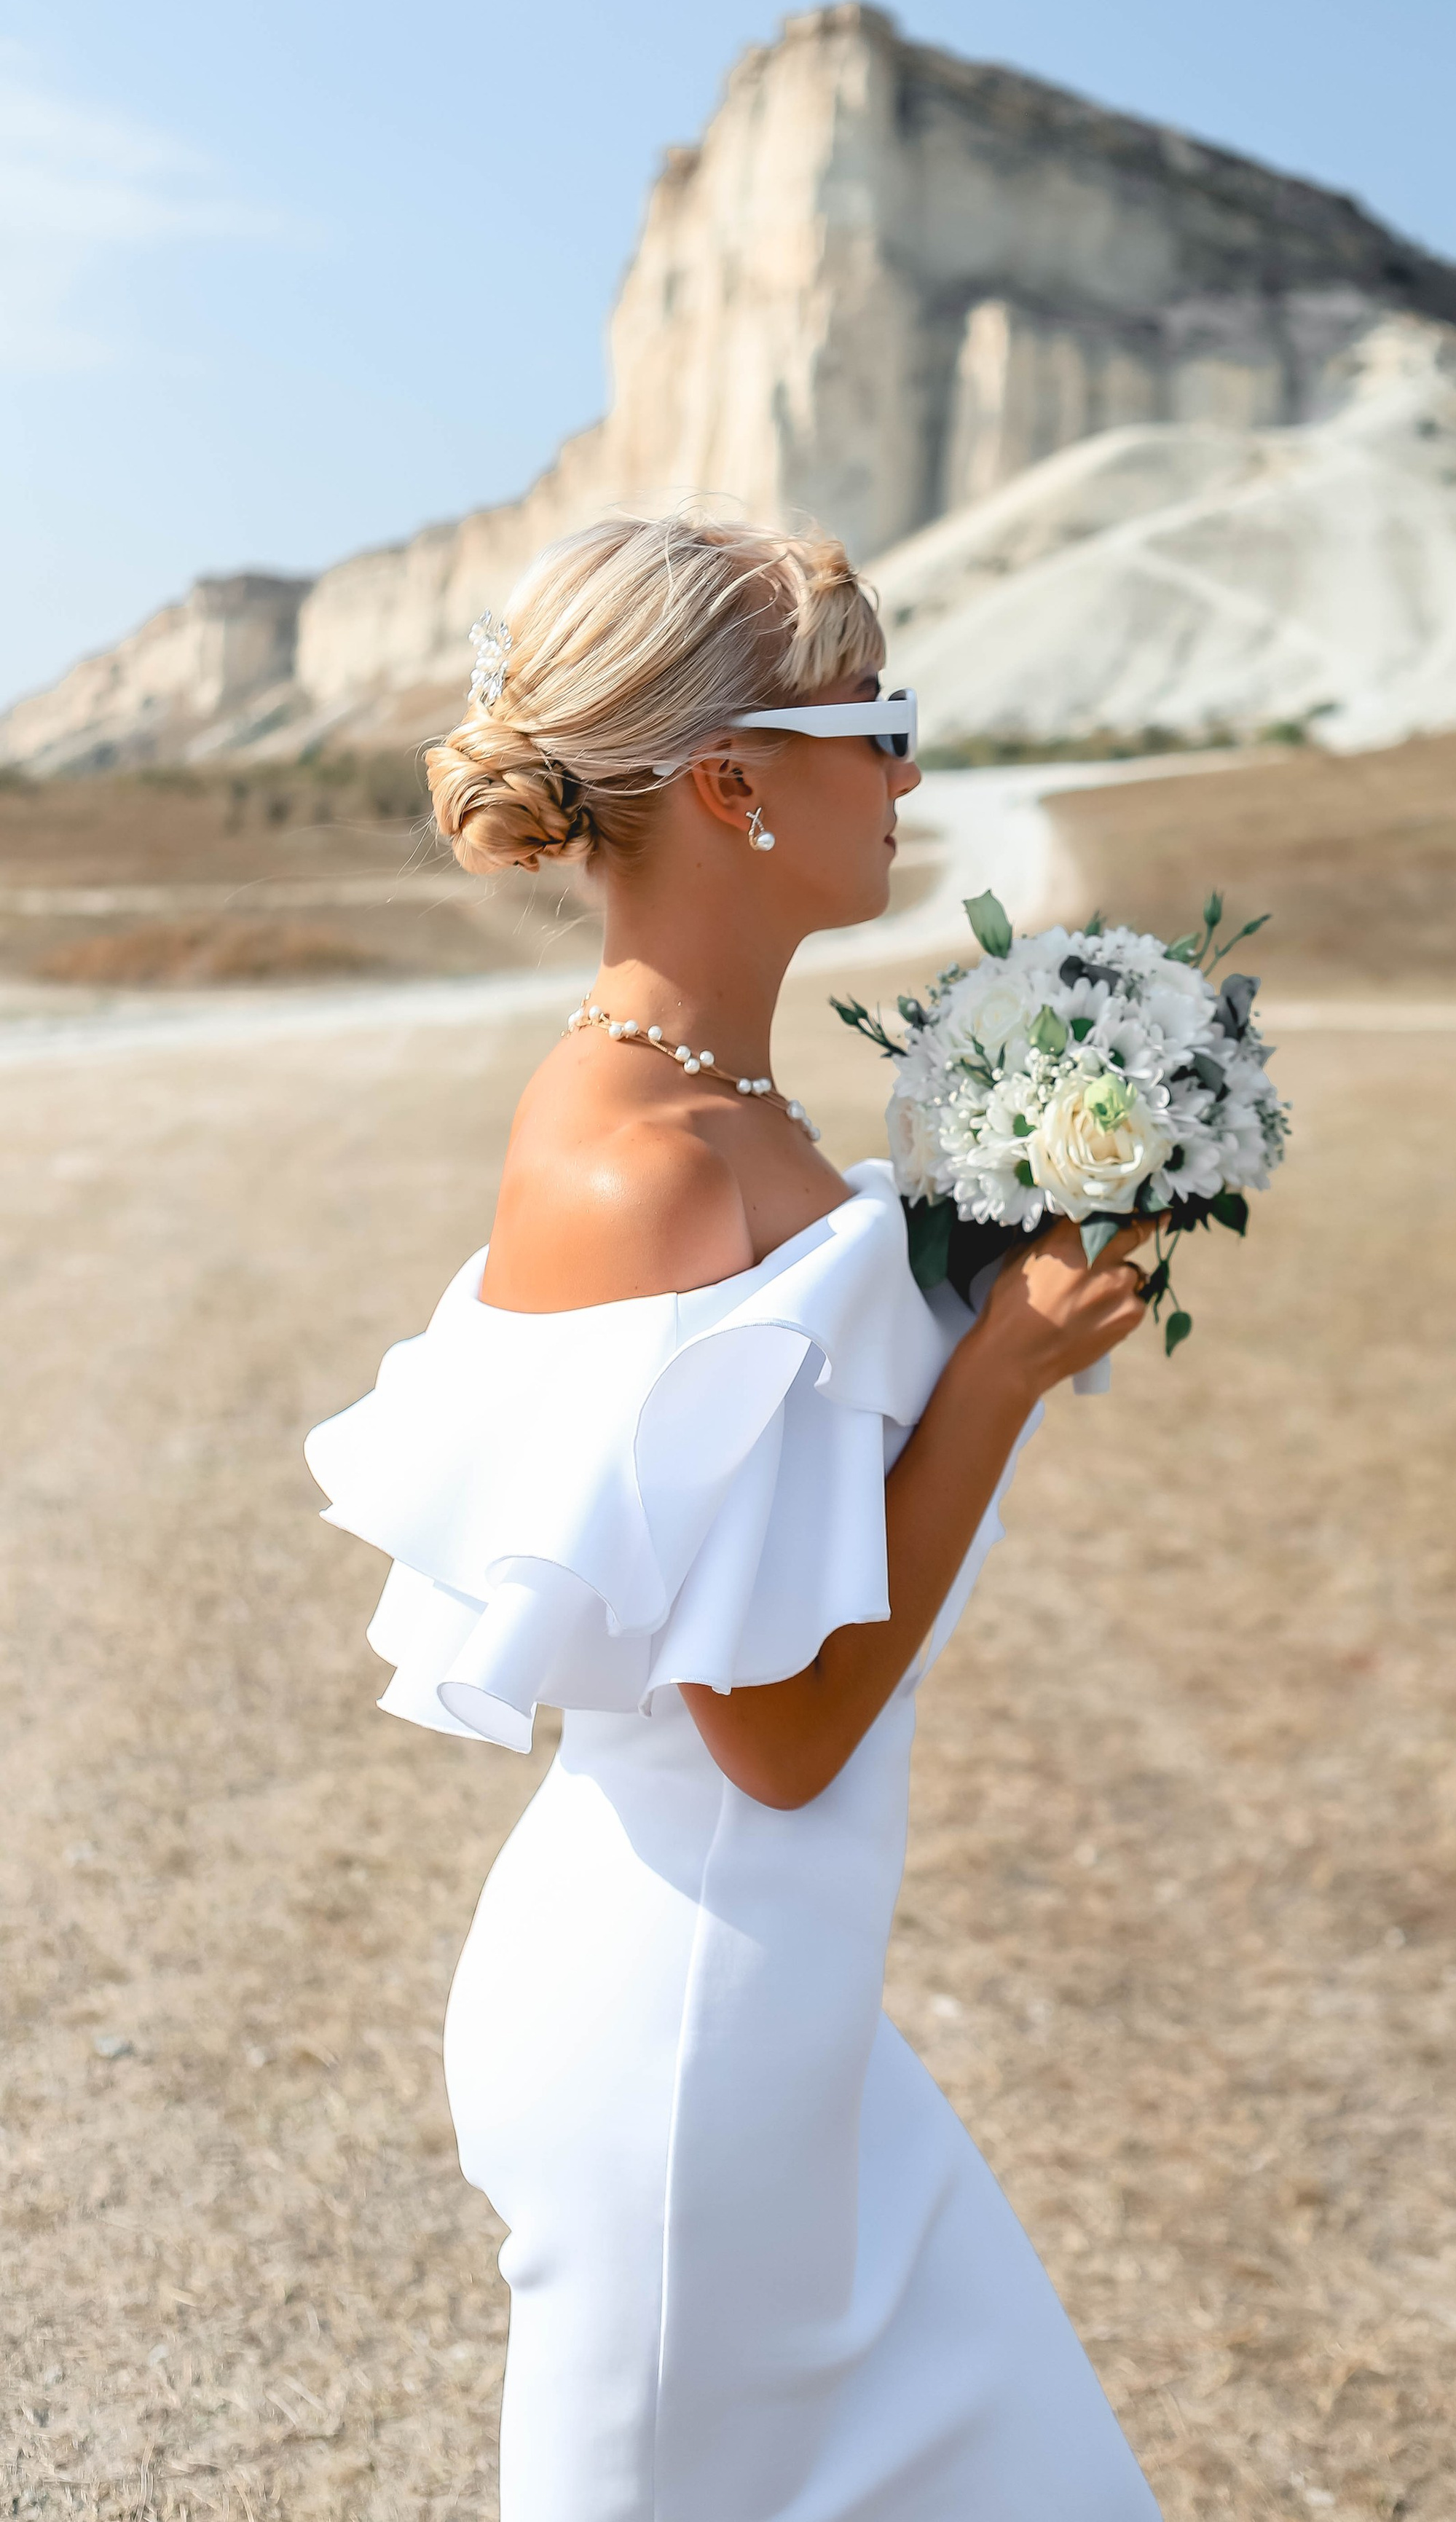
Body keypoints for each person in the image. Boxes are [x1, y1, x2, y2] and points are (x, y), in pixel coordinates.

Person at [304, 511, 1162, 2521]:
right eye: (887, 721)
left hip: (783, 2025)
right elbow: (768, 1733)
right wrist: (998, 1374)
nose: (913, 772)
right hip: (677, 2046)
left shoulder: (736, 1109)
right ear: (733, 784)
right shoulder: (646, 1165)